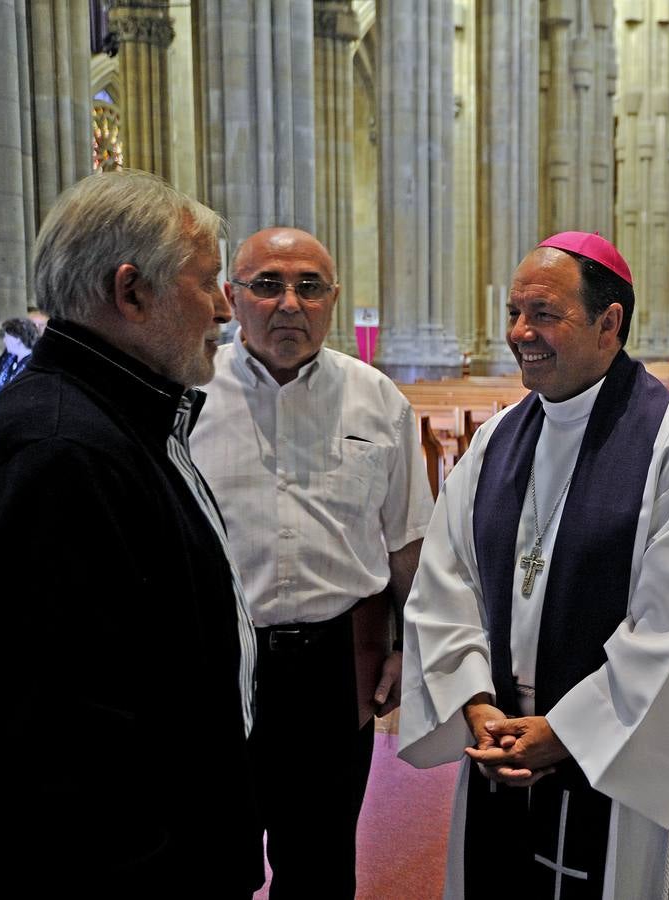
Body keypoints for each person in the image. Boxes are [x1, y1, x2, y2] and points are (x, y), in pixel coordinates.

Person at [397, 231, 669, 898]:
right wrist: (476, 707)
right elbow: (446, 586)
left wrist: (563, 733)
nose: (521, 332)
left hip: (613, 759)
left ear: (608, 323)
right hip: (496, 743)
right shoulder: (498, 438)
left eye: (545, 314)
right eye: (514, 313)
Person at [0, 170, 261, 895]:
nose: (227, 309)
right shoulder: (61, 450)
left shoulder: (119, 417)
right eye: (209, 282)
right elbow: (60, 744)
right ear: (132, 291)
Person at [190, 227, 432, 898]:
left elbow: (409, 542)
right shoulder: (189, 396)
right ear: (232, 297)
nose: (289, 302)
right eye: (267, 284)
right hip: (218, 668)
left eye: (309, 286)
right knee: (213, 861)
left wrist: (408, 649)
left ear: (332, 300)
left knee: (322, 866)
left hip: (335, 670)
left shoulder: (378, 400)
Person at [0, 316, 38, 399]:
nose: (4, 340)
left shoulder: (33, 363)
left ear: (17, 339)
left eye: (7, 336)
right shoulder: (8, 357)